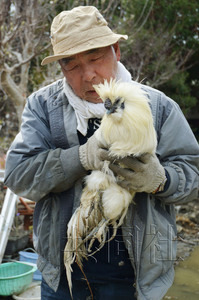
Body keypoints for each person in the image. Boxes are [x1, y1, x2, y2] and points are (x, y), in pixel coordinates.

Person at [4, 6, 199, 300]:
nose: (89, 75)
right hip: (62, 277)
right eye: (72, 65)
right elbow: (18, 175)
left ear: (116, 51)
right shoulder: (42, 107)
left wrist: (161, 180)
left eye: (95, 58)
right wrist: (79, 158)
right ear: (61, 68)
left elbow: (193, 173)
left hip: (134, 279)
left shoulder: (160, 108)